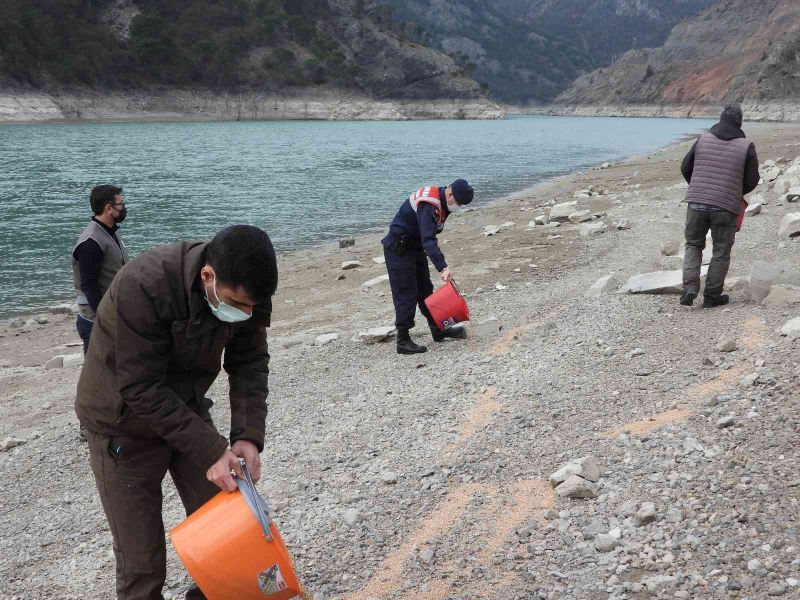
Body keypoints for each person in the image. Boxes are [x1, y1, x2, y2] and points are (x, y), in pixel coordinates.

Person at [76, 225, 278, 600]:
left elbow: (250, 361)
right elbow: (140, 387)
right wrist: (211, 449)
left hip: (185, 407)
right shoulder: (144, 284)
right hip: (120, 424)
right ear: (208, 277)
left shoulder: (249, 288)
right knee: (143, 560)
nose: (246, 314)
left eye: (252, 307)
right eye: (237, 305)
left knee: (229, 526)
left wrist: (247, 437)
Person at [679, 105, 759, 308]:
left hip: (696, 202)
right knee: (721, 251)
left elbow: (685, 167)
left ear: (720, 119)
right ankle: (712, 296)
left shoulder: (702, 138)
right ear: (740, 123)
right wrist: (735, 191)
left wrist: (698, 186)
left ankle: (690, 287)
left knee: (693, 245)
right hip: (726, 205)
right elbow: (752, 179)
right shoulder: (746, 146)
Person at [382, 179, 474, 354]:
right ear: (449, 193)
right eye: (459, 203)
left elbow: (427, 236)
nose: (458, 207)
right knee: (406, 293)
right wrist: (443, 267)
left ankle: (438, 329)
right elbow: (429, 241)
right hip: (398, 248)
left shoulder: (443, 202)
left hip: (414, 247)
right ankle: (403, 339)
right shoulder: (429, 204)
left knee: (425, 290)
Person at [72, 185, 129, 353]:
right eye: (121, 203)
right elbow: (89, 285)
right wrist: (105, 318)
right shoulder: (91, 241)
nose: (124, 207)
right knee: (96, 376)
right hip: (95, 321)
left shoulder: (110, 232)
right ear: (108, 208)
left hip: (112, 314)